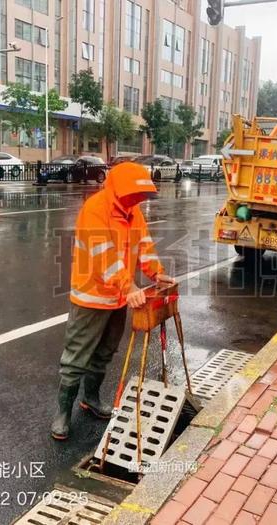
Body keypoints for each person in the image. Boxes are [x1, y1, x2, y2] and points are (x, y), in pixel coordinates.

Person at [51, 162, 174, 440]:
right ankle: (62, 414)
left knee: (105, 353)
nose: (139, 200)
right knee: (76, 359)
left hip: (118, 300)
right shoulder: (95, 210)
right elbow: (104, 257)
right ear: (118, 189)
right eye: (134, 194)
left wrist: (158, 273)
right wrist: (129, 285)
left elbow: (144, 246)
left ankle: (91, 399)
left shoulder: (133, 213)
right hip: (90, 299)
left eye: (141, 196)